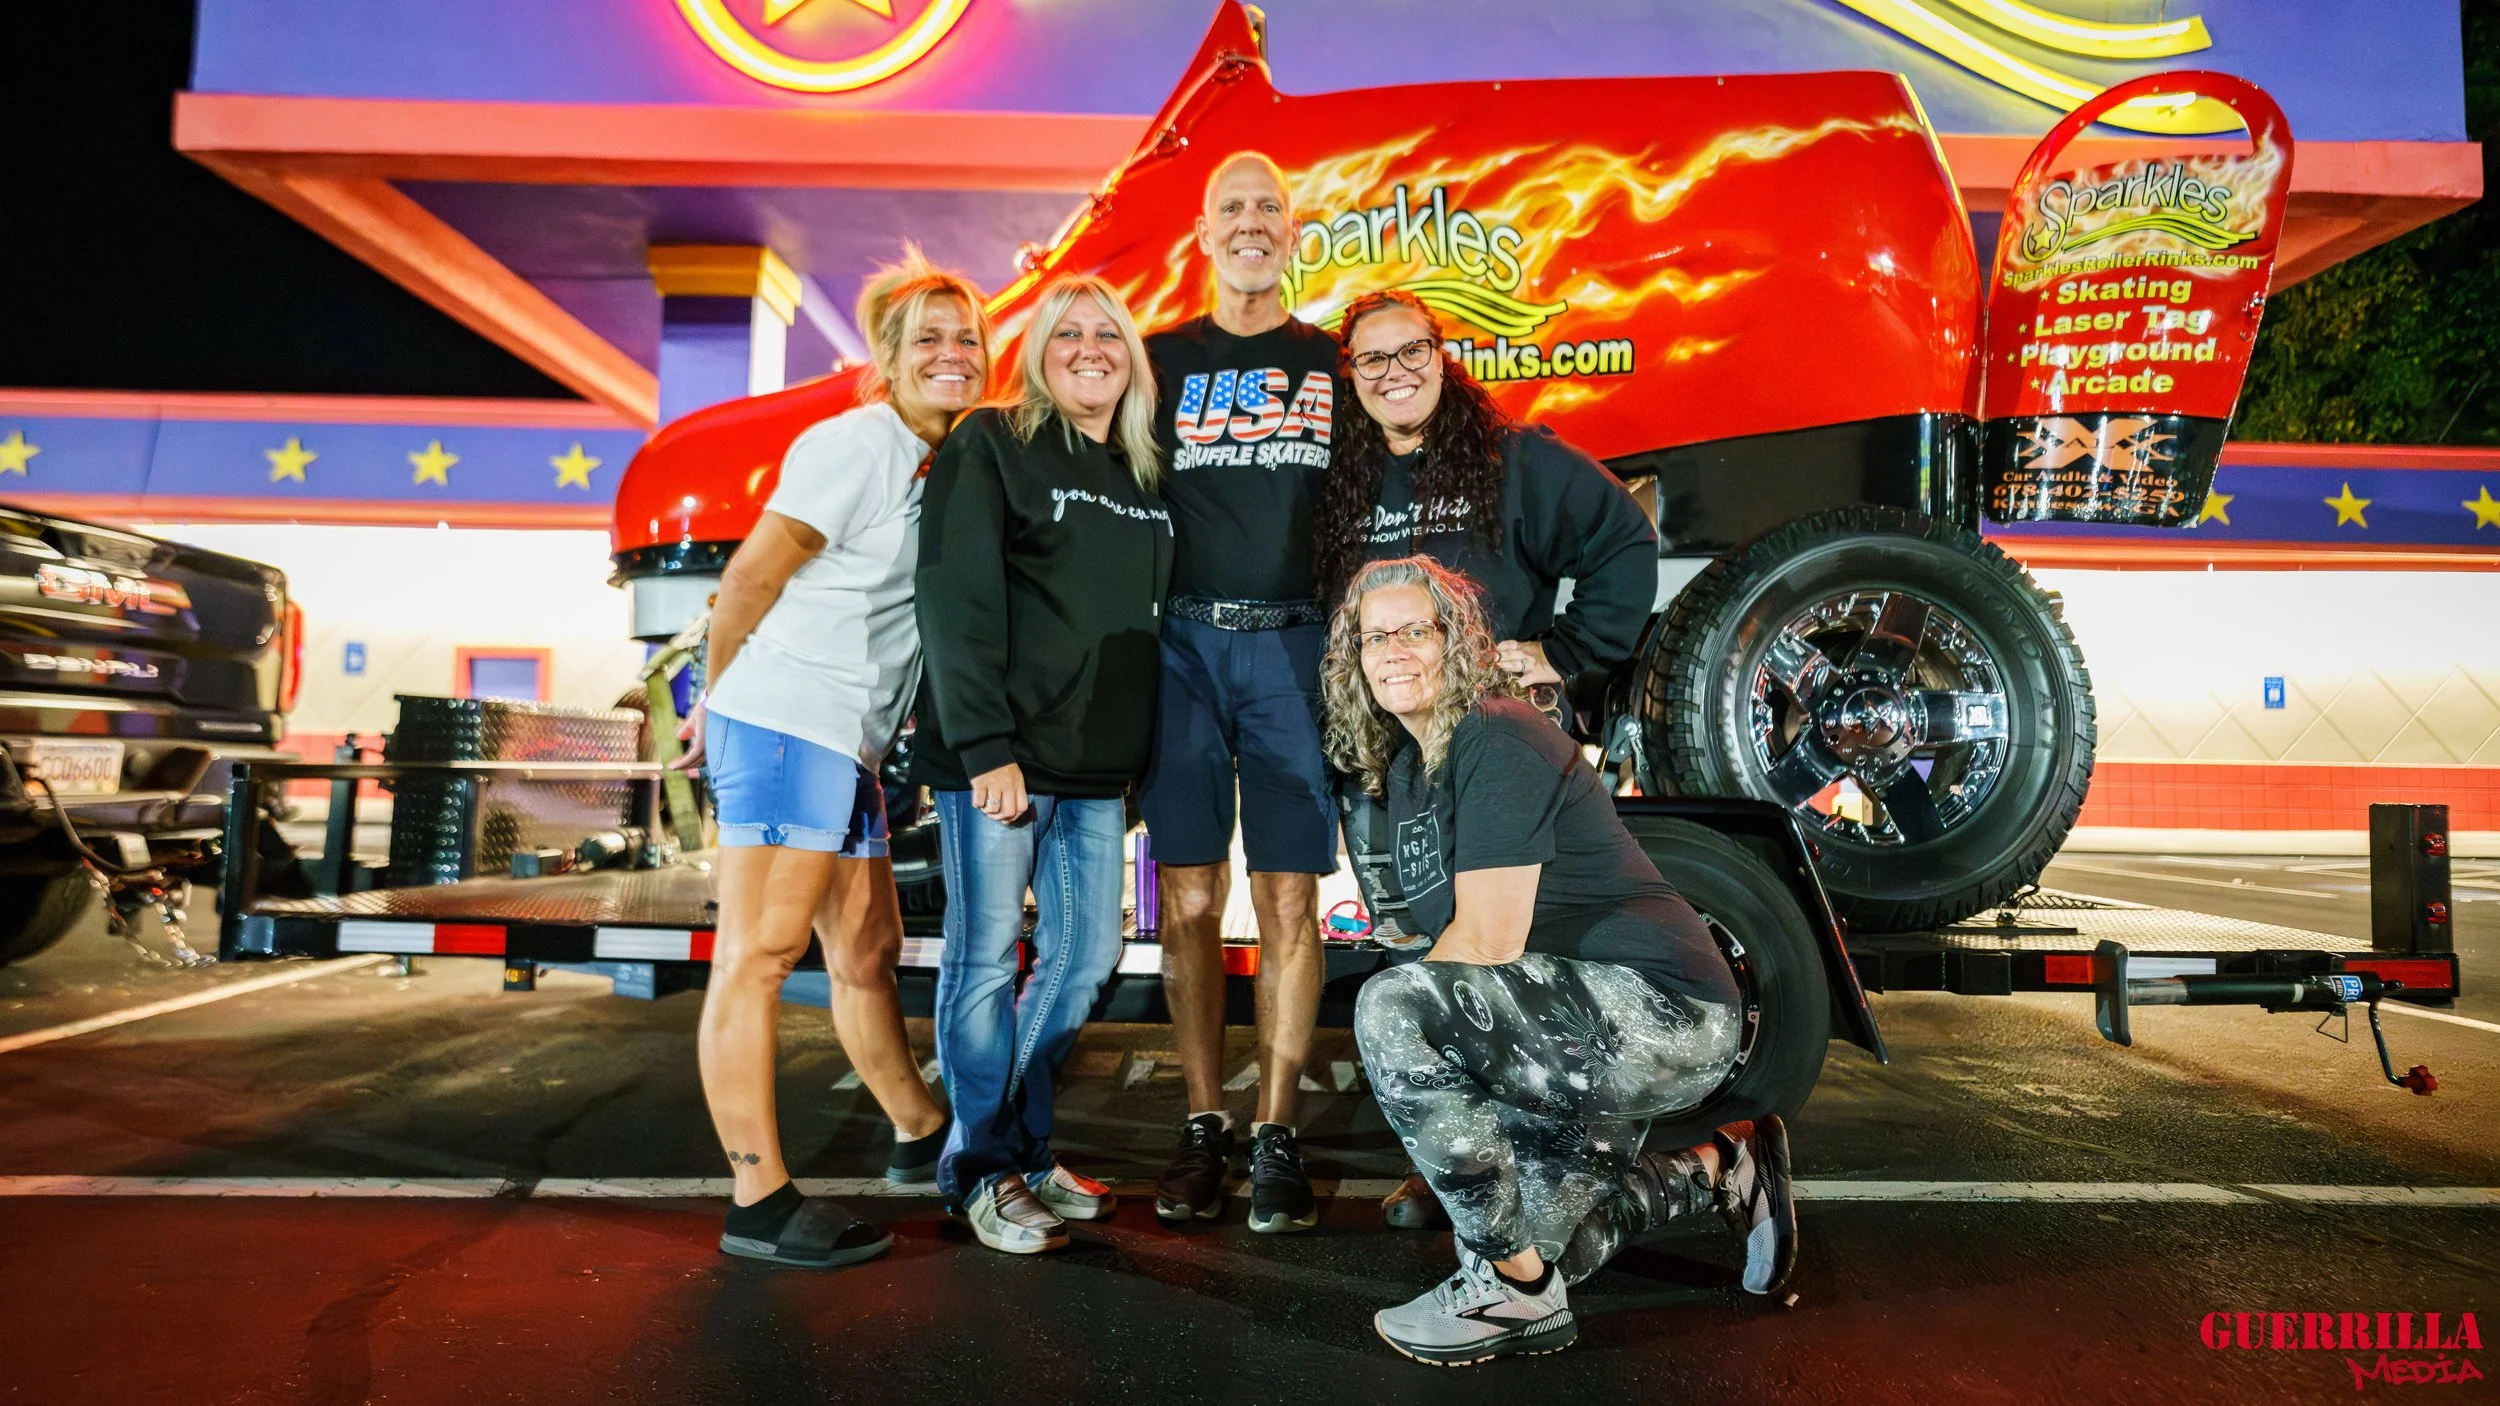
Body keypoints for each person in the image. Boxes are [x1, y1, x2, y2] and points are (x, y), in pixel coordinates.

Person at [1326, 555, 1796, 1365]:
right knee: (1553, 1249)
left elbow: (1485, 944)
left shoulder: (1495, 733)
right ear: (1353, 661)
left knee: (1393, 1008)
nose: (1393, 649)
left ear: (1458, 640)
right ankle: (1724, 1163)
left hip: (1662, 1009)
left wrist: (1418, 1063)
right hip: (1559, 1022)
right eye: (1374, 638)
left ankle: (1514, 1296)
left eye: (1414, 630)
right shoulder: (1405, 770)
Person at [1314, 287, 1661, 1229]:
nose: (1395, 373)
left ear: (1443, 352)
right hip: (1386, 764)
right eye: (1372, 360)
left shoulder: (1515, 460)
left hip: (1495, 754)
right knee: (1419, 949)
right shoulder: (1340, 476)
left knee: (1510, 954)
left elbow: (1625, 538)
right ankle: (1452, 1159)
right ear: (1351, 377)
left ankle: (1531, 1160)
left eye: (1411, 351)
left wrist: (1564, 653)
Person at [676, 247, 987, 1269]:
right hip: (785, 718)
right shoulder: (855, 442)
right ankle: (756, 1193)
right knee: (760, 956)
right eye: (928, 339)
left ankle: (917, 1130)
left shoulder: (933, 459)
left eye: (966, 337)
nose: (952, 353)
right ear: (886, 364)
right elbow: (750, 575)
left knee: (864, 945)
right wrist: (718, 707)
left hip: (841, 736)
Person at [913, 275, 1173, 1254]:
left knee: (1083, 963)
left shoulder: (1142, 468)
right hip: (1003, 767)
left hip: (1096, 776)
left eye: (1109, 333)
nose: (1091, 347)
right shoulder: (994, 443)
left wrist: (1138, 761)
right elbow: (955, 594)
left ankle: (1018, 1147)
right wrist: (985, 746)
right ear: (1037, 350)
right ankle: (979, 1169)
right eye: (1069, 332)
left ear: (1132, 357)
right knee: (986, 963)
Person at [1141, 151, 1343, 1232]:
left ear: (1293, 231)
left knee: (1289, 899)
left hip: (1292, 651)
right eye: (1233, 207)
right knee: (1184, 898)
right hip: (1182, 649)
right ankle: (1203, 1122)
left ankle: (1276, 1134)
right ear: (1204, 230)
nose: (1251, 221)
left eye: (1270, 205)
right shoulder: (1157, 358)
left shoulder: (1336, 364)